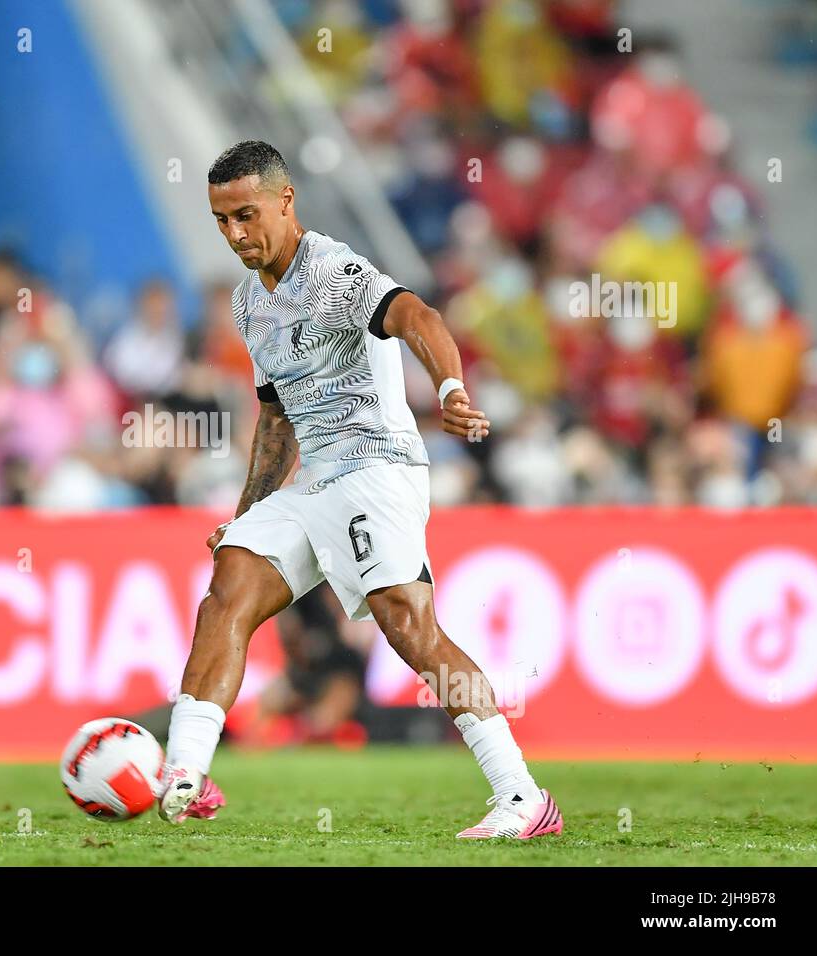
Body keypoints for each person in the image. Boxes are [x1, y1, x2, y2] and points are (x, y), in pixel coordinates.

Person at [158, 141, 562, 840]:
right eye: (222, 220)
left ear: (285, 202)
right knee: (230, 582)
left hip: (378, 467)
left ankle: (523, 795)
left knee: (409, 627)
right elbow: (277, 419)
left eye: (246, 215)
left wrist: (451, 388)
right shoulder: (250, 302)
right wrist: (245, 516)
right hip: (315, 478)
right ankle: (185, 775)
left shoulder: (335, 271)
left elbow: (418, 317)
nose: (235, 235)